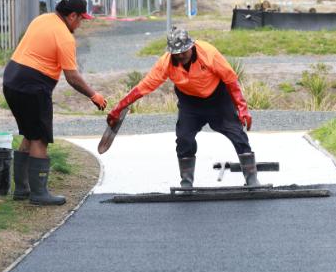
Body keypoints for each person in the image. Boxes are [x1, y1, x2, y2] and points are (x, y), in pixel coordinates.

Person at [106, 27, 259, 187]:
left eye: (183, 52)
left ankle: (251, 178)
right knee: (184, 138)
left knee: (237, 134)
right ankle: (186, 181)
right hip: (190, 104)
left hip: (218, 99)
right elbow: (144, 87)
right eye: (175, 53)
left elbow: (230, 80)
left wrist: (242, 108)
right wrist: (118, 108)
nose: (179, 56)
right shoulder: (166, 62)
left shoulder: (208, 53)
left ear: (190, 46)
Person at [3, 0, 107, 205]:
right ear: (72, 16)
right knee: (40, 139)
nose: (80, 24)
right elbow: (72, 77)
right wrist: (93, 95)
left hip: (11, 80)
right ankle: (39, 194)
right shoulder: (65, 37)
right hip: (33, 85)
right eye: (80, 19)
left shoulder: (42, 19)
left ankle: (22, 190)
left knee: (30, 134)